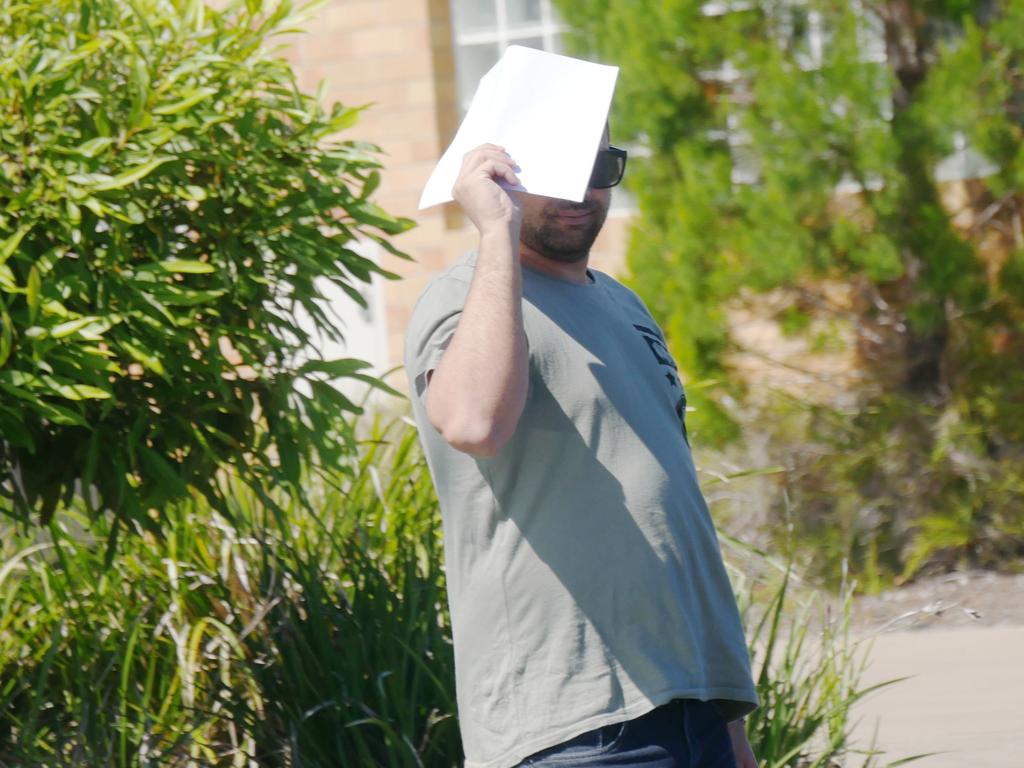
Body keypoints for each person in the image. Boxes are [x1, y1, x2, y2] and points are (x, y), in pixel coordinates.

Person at [404, 130, 759, 768]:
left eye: (601, 166)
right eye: (557, 168)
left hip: (693, 707)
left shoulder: (623, 304)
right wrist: (495, 236)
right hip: (575, 728)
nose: (582, 190)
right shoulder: (467, 296)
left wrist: (729, 723)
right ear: (499, 177)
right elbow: (471, 422)